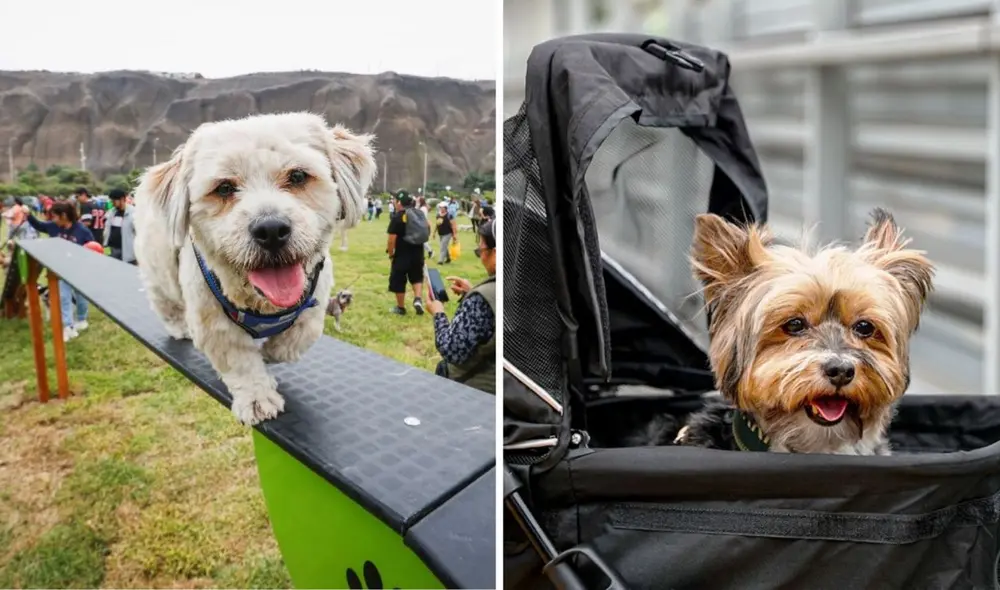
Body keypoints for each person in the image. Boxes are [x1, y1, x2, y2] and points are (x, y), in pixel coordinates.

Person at [426, 219, 496, 395]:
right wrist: (471, 292)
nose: (481, 258)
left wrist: (438, 313)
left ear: (495, 253)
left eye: (480, 251)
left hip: (474, 390)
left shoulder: (481, 300)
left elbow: (452, 350)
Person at [22, 201, 94, 341]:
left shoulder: (82, 231)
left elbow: (92, 248)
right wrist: (28, 214)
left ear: (64, 215)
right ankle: (68, 326)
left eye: (55, 216)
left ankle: (81, 319)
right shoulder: (53, 227)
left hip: (79, 270)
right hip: (60, 269)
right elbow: (39, 225)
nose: (53, 219)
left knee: (81, 297)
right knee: (63, 297)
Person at [386, 191, 427, 315]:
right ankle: (418, 299)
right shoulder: (418, 213)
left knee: (399, 279)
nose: (394, 202)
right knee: (417, 276)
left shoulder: (398, 217)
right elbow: (428, 227)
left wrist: (391, 254)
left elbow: (391, 239)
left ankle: (401, 307)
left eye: (395, 200)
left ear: (399, 202)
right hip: (418, 252)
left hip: (402, 253)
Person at [104, 188, 137, 264]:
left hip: (126, 252)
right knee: (109, 266)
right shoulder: (111, 212)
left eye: (114, 201)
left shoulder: (133, 213)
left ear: (122, 199)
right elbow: (106, 232)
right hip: (110, 249)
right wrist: (105, 248)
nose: (112, 203)